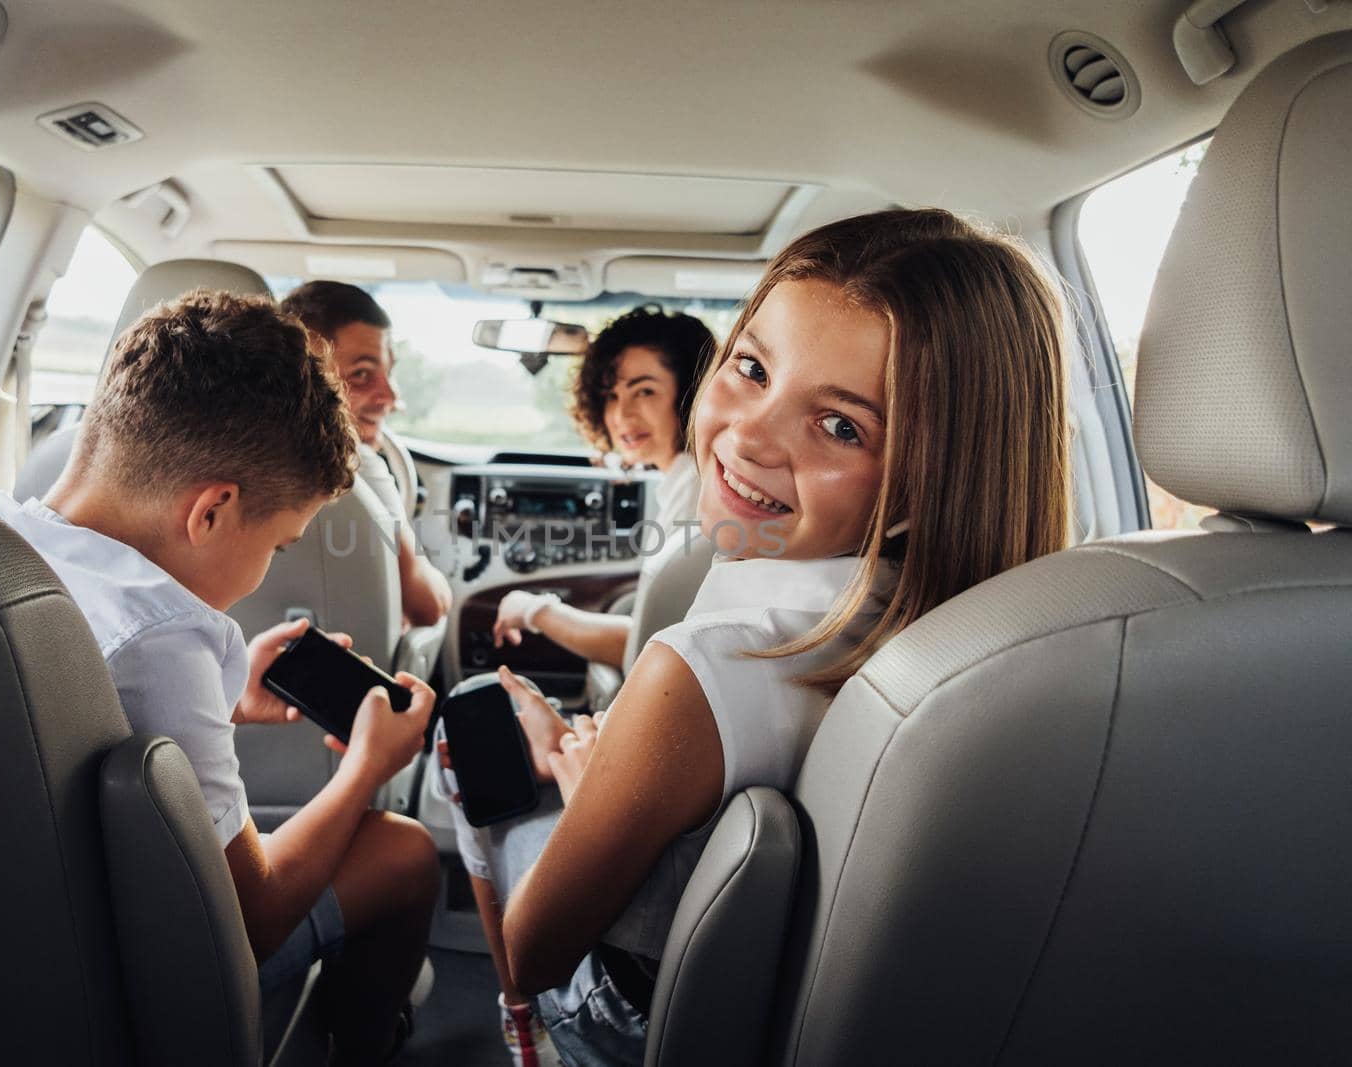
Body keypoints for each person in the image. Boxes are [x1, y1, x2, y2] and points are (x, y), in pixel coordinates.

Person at [450, 209, 1073, 1065]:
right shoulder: (991, 634)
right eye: (750, 367)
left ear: (935, 477)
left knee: (473, 729)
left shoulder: (698, 670)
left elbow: (537, 947)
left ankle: (528, 1036)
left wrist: (581, 773)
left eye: (841, 425)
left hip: (639, 1011)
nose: (748, 434)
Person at [0, 290, 438, 1065]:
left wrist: (224, 699)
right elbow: (248, 917)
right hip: (126, 992)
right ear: (213, 511)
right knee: (402, 850)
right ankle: (363, 1043)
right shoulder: (167, 639)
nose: (269, 565)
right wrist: (365, 768)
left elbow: (65, 729)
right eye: (281, 544)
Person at [491, 305, 717, 669]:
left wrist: (535, 610)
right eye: (611, 396)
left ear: (692, 393)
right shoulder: (687, 474)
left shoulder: (698, 490)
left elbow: (649, 650)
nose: (621, 415)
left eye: (643, 392)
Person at [280, 280, 453, 628]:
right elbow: (428, 606)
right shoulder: (358, 466)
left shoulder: (222, 454)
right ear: (305, 376)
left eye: (388, 372)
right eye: (361, 374)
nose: (390, 396)